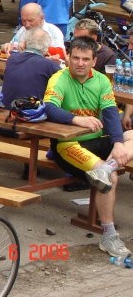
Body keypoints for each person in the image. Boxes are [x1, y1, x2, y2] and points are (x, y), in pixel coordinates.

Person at [44, 37, 133, 258]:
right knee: (109, 178)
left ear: (94, 61)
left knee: (123, 145)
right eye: (75, 58)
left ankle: (109, 165)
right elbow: (49, 109)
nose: (80, 63)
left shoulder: (102, 80)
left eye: (85, 59)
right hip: (68, 145)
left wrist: (119, 144)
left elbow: (111, 113)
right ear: (68, 58)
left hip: (97, 140)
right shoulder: (59, 78)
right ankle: (109, 236)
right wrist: (76, 120)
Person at [1, 28, 61, 107]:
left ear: (25, 44)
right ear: (46, 49)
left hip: (7, 107)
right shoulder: (50, 65)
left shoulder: (12, 58)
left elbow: (32, 62)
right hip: (32, 113)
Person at [1, 2, 66, 57]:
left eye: (30, 20)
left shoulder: (53, 30)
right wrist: (8, 46)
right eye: (23, 21)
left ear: (42, 17)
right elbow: (13, 44)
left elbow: (62, 53)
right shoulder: (22, 30)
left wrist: (30, 47)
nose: (27, 24)